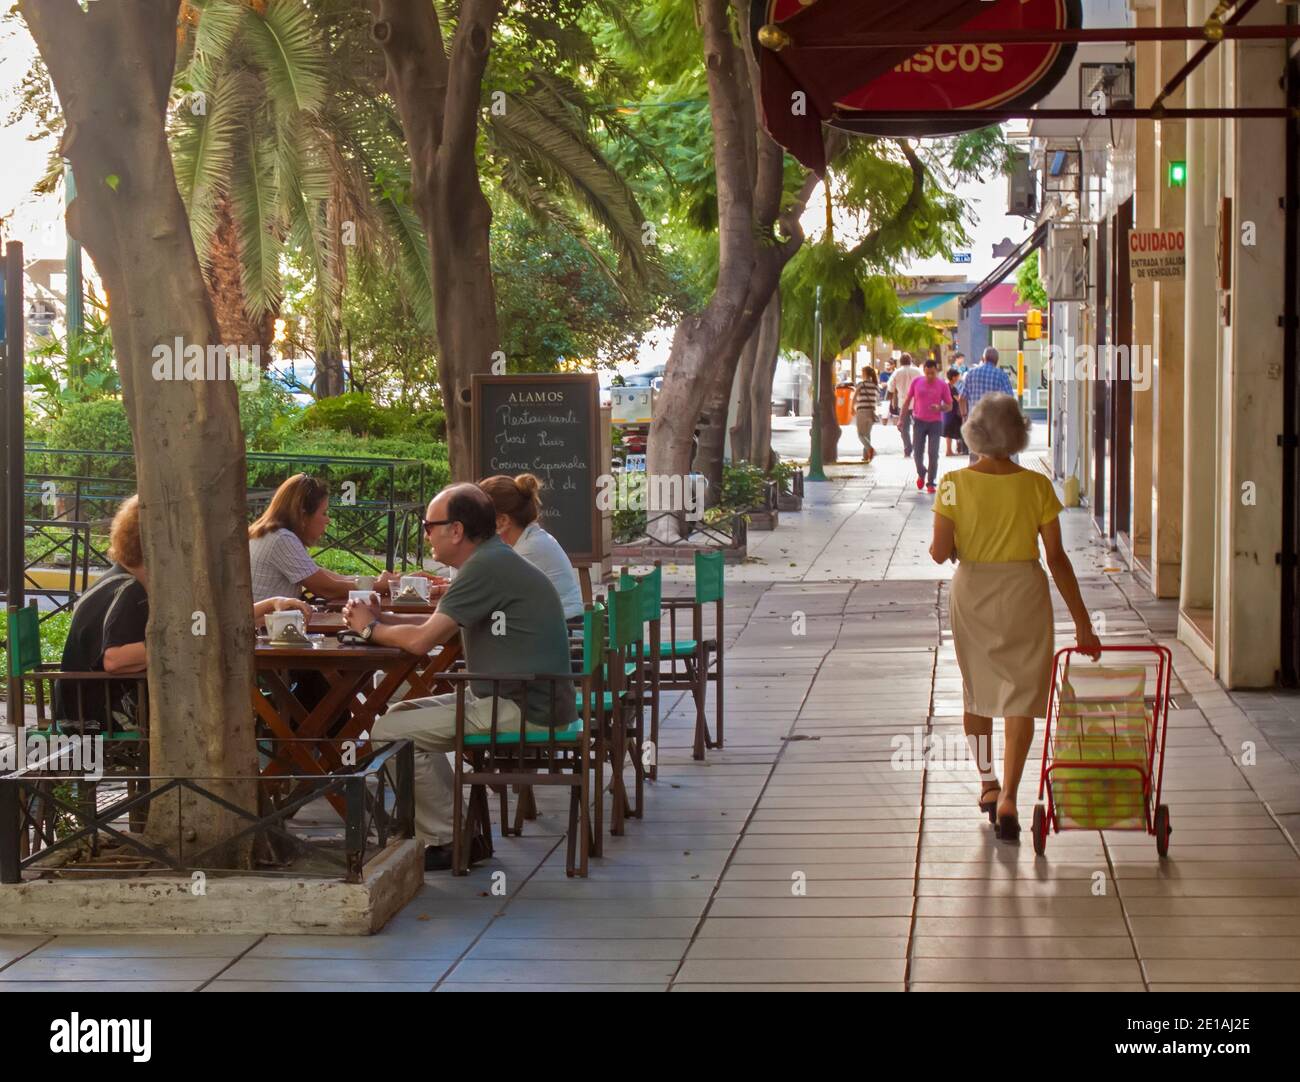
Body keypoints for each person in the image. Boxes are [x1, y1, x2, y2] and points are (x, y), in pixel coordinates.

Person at [346, 483, 575, 871]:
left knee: (389, 732)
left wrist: (370, 629)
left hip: (522, 706)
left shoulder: (486, 566)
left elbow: (421, 642)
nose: (425, 533)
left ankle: (450, 839)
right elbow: (436, 624)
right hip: (522, 695)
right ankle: (453, 830)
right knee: (399, 715)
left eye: (428, 524)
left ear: (456, 530)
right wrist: (382, 620)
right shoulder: (492, 559)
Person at [928, 394, 1101, 843]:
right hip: (1025, 591)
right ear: (1019, 434)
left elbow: (940, 552)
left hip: (974, 594)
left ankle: (987, 783)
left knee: (977, 692)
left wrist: (962, 544)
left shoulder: (952, 484)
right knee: (1020, 695)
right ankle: (1010, 798)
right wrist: (1083, 622)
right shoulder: (1037, 486)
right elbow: (1058, 558)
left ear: (975, 433)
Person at [54, 495, 310, 730]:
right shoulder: (129, 591)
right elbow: (115, 660)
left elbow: (203, 625)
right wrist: (183, 641)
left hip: (103, 705)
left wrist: (270, 605)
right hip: (97, 717)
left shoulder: (128, 580)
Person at [479, 473, 584, 622]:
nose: (475, 524)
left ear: (502, 521)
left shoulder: (529, 549)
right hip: (560, 628)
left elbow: (485, 597)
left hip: (568, 634)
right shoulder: (530, 538)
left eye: (480, 518)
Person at [248, 474, 369, 602]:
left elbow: (325, 576)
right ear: (303, 514)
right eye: (324, 513)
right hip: (266, 622)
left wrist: (377, 582)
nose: (328, 520)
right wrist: (379, 586)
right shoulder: (281, 538)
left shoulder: (272, 533)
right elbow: (327, 589)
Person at [901, 358, 952, 494]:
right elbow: (907, 401)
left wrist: (940, 407)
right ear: (924, 371)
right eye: (928, 373)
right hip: (919, 421)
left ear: (937, 372)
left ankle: (931, 482)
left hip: (935, 423)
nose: (930, 376)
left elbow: (949, 406)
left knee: (933, 453)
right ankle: (921, 472)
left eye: (933, 373)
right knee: (917, 452)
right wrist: (901, 419)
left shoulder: (943, 385)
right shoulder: (917, 382)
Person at [888, 353, 920, 454]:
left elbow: (890, 388)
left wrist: (890, 401)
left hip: (902, 404)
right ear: (910, 360)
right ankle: (916, 445)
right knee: (917, 426)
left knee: (903, 427)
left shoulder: (896, 373)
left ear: (900, 361)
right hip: (917, 403)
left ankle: (907, 447)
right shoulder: (918, 371)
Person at [851, 367, 880, 463]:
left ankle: (870, 449)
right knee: (867, 435)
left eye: (862, 372)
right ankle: (866, 456)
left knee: (860, 434)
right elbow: (877, 400)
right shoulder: (875, 385)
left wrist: (852, 408)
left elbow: (854, 397)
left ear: (865, 373)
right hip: (872, 412)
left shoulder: (861, 384)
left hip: (862, 411)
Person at [943, 367, 967, 456]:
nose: (958, 378)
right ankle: (948, 451)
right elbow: (957, 398)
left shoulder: (951, 386)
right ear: (953, 377)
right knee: (948, 431)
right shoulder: (949, 387)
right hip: (949, 412)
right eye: (957, 376)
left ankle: (951, 450)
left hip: (951, 411)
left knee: (951, 430)